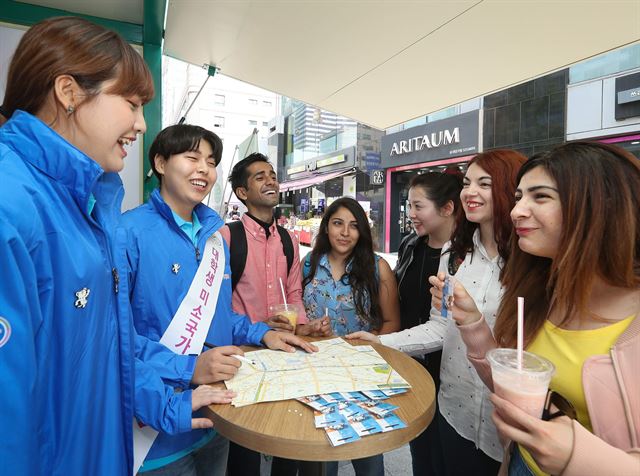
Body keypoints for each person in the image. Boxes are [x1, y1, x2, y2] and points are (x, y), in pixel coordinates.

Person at [0, 17, 213, 475]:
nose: (140, 124)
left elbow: (105, 345)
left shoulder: (90, 205)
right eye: (132, 103)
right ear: (69, 92)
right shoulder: (11, 203)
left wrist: (183, 375)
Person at [433, 142, 640, 476]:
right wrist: (472, 322)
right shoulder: (541, 294)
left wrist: (578, 455)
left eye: (539, 197)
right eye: (517, 198)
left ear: (602, 206)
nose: (517, 211)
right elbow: (513, 386)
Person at [123, 125, 317, 475]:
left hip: (217, 414)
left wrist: (263, 334)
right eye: (192, 157)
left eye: (210, 162)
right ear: (161, 163)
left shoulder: (213, 239)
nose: (204, 169)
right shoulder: (126, 234)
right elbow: (113, 338)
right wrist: (189, 369)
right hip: (156, 433)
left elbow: (220, 315)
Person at [348, 150, 527, 476]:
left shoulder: (531, 261)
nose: (470, 192)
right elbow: (438, 328)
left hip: (504, 426)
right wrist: (378, 342)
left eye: (484, 183)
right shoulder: (455, 255)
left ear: (508, 189)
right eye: (468, 182)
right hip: (452, 411)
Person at [220, 153, 330, 475]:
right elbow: (217, 307)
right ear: (242, 193)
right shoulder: (228, 238)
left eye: (272, 175)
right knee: (246, 448)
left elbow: (293, 293)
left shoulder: (288, 240)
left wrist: (305, 327)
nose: (270, 180)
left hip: (285, 356)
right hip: (244, 359)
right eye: (259, 176)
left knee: (288, 433)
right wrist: (259, 329)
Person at [303, 197, 401, 476]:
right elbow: (297, 320)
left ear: (362, 232)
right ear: (326, 227)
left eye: (354, 226)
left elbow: (393, 322)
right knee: (322, 457)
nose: (345, 232)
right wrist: (309, 329)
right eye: (338, 224)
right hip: (314, 372)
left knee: (368, 457)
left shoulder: (376, 266)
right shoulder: (309, 263)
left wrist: (363, 342)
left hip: (359, 375)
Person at [393, 172, 463, 475]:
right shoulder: (411, 246)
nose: (411, 215)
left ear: (447, 208)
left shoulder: (464, 257)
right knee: (421, 453)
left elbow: (446, 326)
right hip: (410, 364)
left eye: (418, 206)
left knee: (447, 456)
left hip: (449, 370)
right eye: (409, 206)